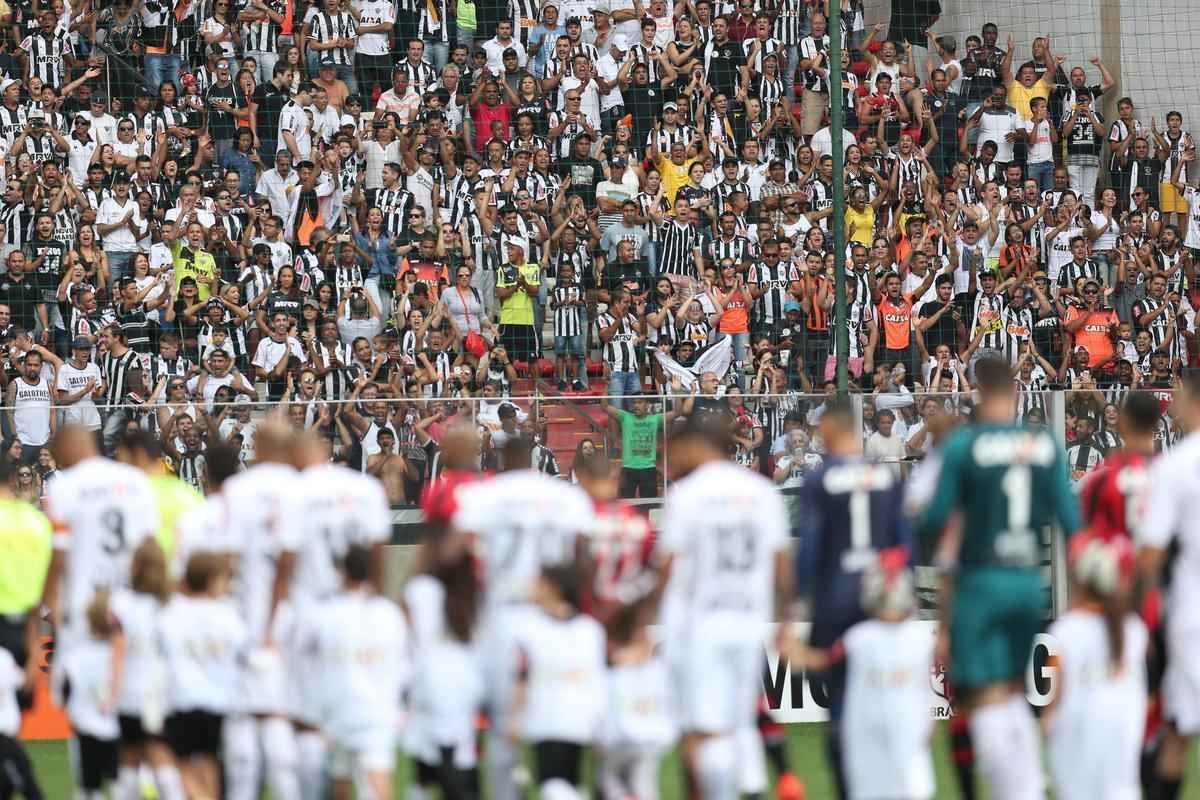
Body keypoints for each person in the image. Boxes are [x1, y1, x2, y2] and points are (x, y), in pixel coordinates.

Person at [918, 358, 1080, 800]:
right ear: (1015, 390)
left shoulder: (964, 446)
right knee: (1011, 688)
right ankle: (1030, 783)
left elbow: (934, 519)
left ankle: (1014, 791)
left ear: (976, 389)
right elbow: (1071, 521)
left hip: (980, 583)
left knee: (977, 695)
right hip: (1029, 585)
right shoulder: (1044, 445)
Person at [450, 436, 596, 800]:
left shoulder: (484, 495)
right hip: (553, 614)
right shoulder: (565, 497)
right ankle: (558, 785)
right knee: (556, 714)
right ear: (533, 457)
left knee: (503, 722)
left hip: (504, 613)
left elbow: (461, 554)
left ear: (501, 458)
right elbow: (584, 555)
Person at [658, 414, 790, 800]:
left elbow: (669, 563)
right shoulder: (762, 491)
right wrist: (786, 619)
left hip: (702, 624)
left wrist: (645, 616)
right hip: (749, 622)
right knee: (741, 719)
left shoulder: (688, 494)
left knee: (705, 729)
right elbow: (782, 561)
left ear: (695, 445)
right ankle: (751, 787)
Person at [792, 400, 910, 799]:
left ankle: (849, 790)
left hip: (836, 603)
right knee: (884, 696)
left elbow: (811, 548)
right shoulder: (884, 477)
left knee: (841, 705)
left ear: (828, 429)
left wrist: (802, 603)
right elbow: (903, 543)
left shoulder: (819, 479)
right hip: (879, 604)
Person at [804, 555, 935, 800]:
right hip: (907, 734)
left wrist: (793, 649)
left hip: (868, 741)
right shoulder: (923, 638)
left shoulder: (857, 638)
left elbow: (822, 660)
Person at [1044, 533, 1147, 800]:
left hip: (1076, 746)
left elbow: (1053, 701)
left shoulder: (1064, 631)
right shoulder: (1135, 629)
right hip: (1123, 746)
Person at [303, 544, 407, 800]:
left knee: (345, 778)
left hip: (340, 710)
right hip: (377, 711)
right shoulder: (390, 614)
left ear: (342, 572)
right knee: (371, 778)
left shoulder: (324, 614)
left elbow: (308, 658)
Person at [157, 551, 247, 800]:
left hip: (182, 698)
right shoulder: (228, 615)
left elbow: (161, 644)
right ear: (211, 581)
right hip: (218, 702)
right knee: (209, 760)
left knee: (182, 763)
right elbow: (242, 647)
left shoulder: (173, 612)